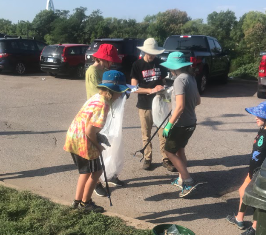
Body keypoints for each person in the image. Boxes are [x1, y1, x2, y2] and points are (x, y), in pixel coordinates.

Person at [64, 70, 130, 212]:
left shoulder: (96, 97)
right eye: (119, 92)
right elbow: (89, 131)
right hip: (84, 140)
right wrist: (97, 146)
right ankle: (85, 203)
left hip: (74, 137)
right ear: (111, 91)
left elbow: (88, 124)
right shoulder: (104, 105)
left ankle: (77, 201)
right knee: (97, 171)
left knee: (85, 172)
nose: (120, 95)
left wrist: (98, 136)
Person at [226, 100, 266, 235]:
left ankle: (255, 228)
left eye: (259, 115)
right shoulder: (263, 130)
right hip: (252, 172)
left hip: (262, 173)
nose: (256, 117)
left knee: (256, 201)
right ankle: (239, 219)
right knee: (242, 192)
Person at [85, 44, 125, 197]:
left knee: (111, 142)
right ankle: (96, 182)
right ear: (103, 59)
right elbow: (98, 92)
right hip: (97, 113)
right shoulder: (92, 71)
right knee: (96, 148)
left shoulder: (104, 71)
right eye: (110, 61)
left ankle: (110, 173)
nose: (112, 63)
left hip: (108, 111)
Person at [160, 52, 201, 198]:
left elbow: (180, 106)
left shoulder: (178, 80)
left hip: (180, 124)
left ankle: (188, 180)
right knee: (180, 150)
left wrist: (169, 125)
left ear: (174, 67)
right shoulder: (191, 78)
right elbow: (197, 101)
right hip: (191, 121)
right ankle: (180, 178)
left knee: (169, 152)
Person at [131, 38, 176, 172]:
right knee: (146, 134)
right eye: (150, 53)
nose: (152, 56)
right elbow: (133, 88)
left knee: (163, 133)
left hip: (160, 104)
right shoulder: (137, 65)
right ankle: (148, 158)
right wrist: (150, 90)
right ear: (145, 51)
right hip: (144, 105)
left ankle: (166, 159)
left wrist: (163, 88)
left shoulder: (159, 64)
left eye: (154, 53)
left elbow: (163, 82)